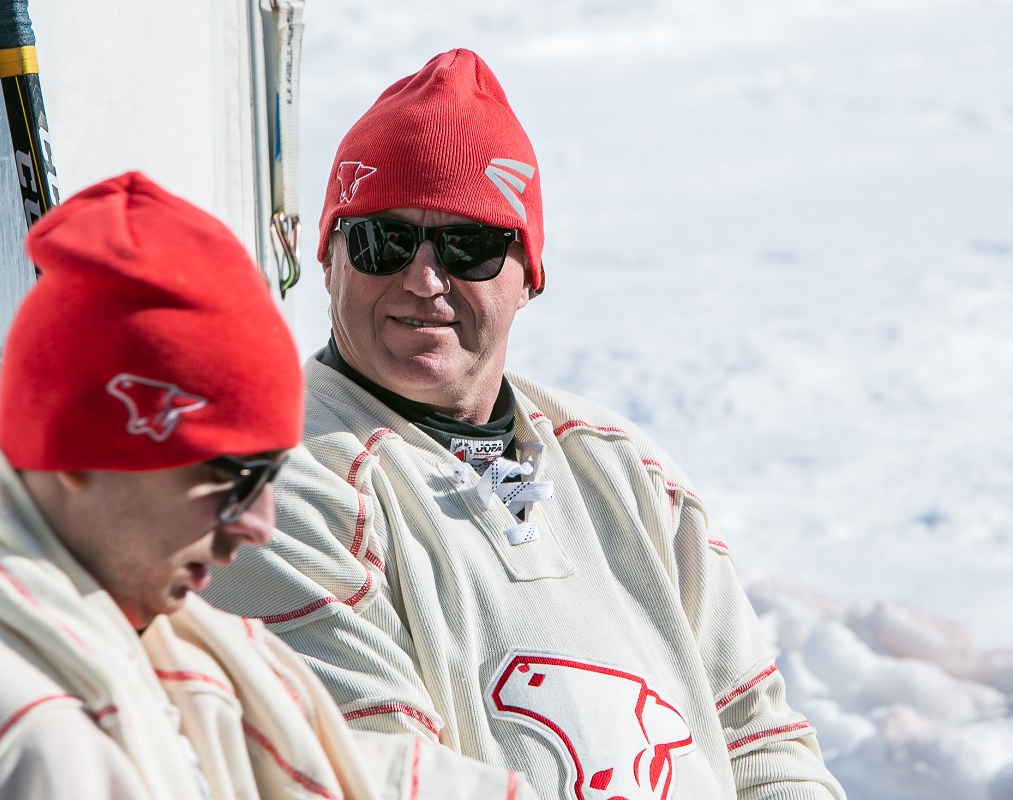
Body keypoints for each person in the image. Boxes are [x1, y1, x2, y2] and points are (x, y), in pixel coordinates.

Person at [202, 50, 848, 800]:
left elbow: (762, 746)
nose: (424, 279)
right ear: (328, 258)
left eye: (470, 247)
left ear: (529, 275)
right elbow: (378, 776)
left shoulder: (624, 470)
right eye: (384, 240)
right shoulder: (278, 483)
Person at [0, 172, 538, 800]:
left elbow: (348, 770)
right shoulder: (31, 738)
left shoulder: (147, 640)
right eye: (231, 479)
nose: (258, 523)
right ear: (81, 459)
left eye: (270, 475)